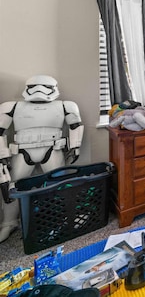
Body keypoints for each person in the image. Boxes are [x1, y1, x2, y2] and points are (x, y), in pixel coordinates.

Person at [0, 75, 84, 242]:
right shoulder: (12, 107)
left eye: (44, 86)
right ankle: (9, 222)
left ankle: (65, 216)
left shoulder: (65, 106)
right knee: (12, 187)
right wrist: (3, 155)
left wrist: (75, 147)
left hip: (52, 149)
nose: (39, 90)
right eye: (35, 86)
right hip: (22, 151)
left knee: (60, 185)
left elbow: (75, 126)